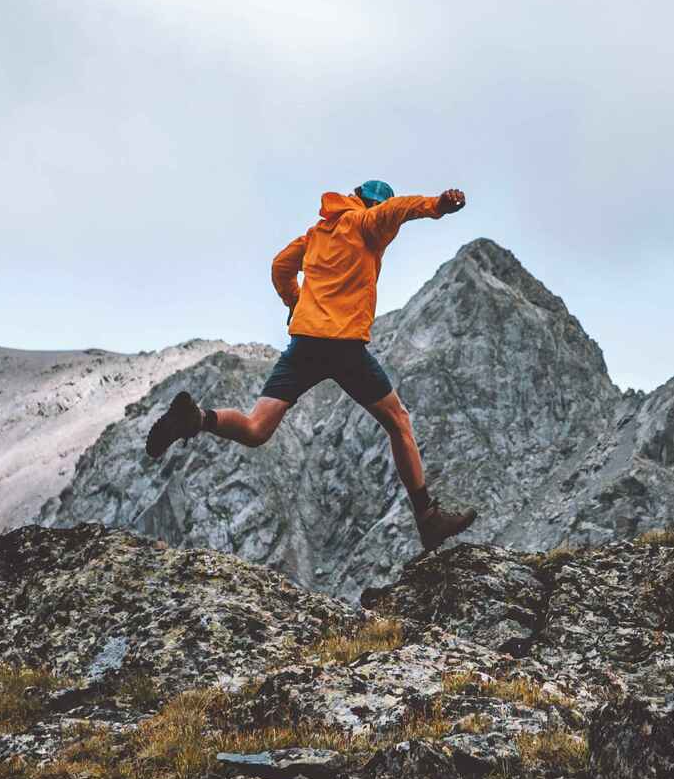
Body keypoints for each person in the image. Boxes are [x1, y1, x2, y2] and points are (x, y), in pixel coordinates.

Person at [144, 179, 479, 552]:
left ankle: (197, 419)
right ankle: (428, 518)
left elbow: (280, 266)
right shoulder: (367, 223)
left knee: (257, 428)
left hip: (304, 344)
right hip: (344, 347)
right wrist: (439, 204)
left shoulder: (317, 233)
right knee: (398, 421)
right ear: (371, 205)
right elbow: (397, 210)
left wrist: (296, 301)